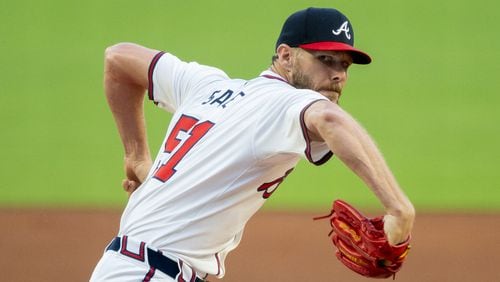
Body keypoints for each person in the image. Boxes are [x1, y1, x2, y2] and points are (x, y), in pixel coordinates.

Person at [90, 7, 415, 282]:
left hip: (132, 268)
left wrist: (136, 154)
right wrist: (399, 208)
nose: (338, 75)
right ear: (286, 56)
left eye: (344, 65)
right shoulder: (284, 103)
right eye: (325, 59)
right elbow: (329, 120)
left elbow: (118, 59)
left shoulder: (206, 85)